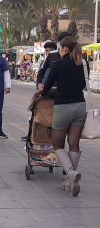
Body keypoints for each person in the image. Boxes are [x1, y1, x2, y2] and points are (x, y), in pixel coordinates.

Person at [41, 36, 87, 197]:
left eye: (60, 48)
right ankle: (69, 181)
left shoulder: (59, 63)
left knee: (58, 144)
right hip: (80, 106)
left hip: (63, 107)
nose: (59, 51)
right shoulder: (82, 63)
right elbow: (82, 84)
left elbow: (47, 86)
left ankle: (70, 173)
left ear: (65, 49)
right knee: (74, 144)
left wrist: (47, 92)